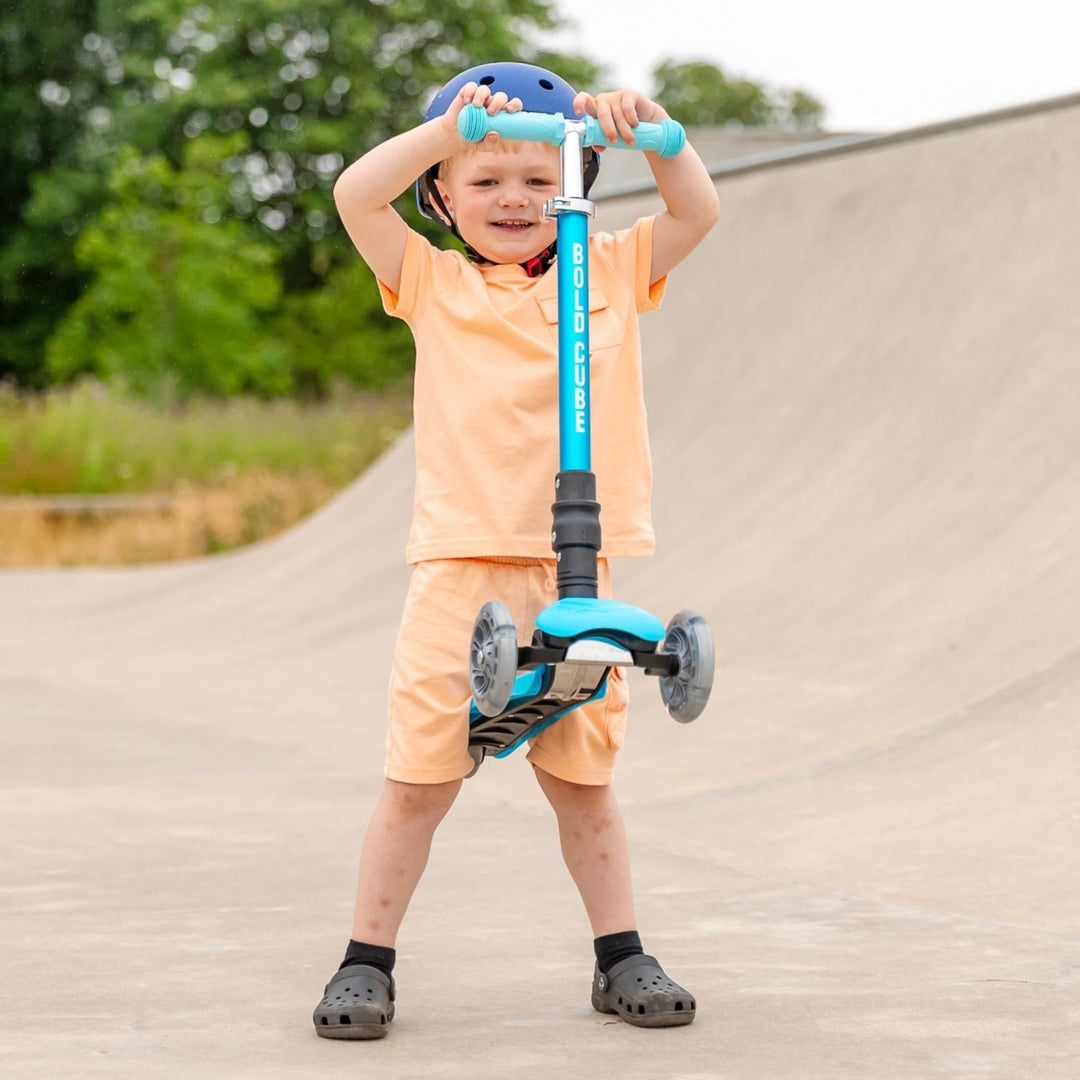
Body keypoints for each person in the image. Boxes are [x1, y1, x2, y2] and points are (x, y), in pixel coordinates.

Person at [313, 62, 719, 1039]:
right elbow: (354, 193)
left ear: (573, 187)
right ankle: (366, 963)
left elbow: (695, 211)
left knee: (585, 786)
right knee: (419, 781)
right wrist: (452, 127)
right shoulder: (431, 279)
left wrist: (651, 126)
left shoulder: (612, 265)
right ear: (444, 194)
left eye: (540, 180)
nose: (514, 200)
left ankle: (621, 956)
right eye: (485, 179)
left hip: (579, 571)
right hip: (461, 566)